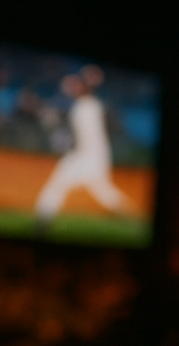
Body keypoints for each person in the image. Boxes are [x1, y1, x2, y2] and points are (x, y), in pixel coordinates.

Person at [33, 66, 131, 226]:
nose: (75, 87)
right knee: (103, 193)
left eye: (79, 84)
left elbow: (77, 104)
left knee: (99, 193)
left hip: (90, 157)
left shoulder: (90, 106)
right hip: (91, 157)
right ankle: (42, 221)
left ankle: (42, 221)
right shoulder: (83, 106)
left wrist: (50, 114)